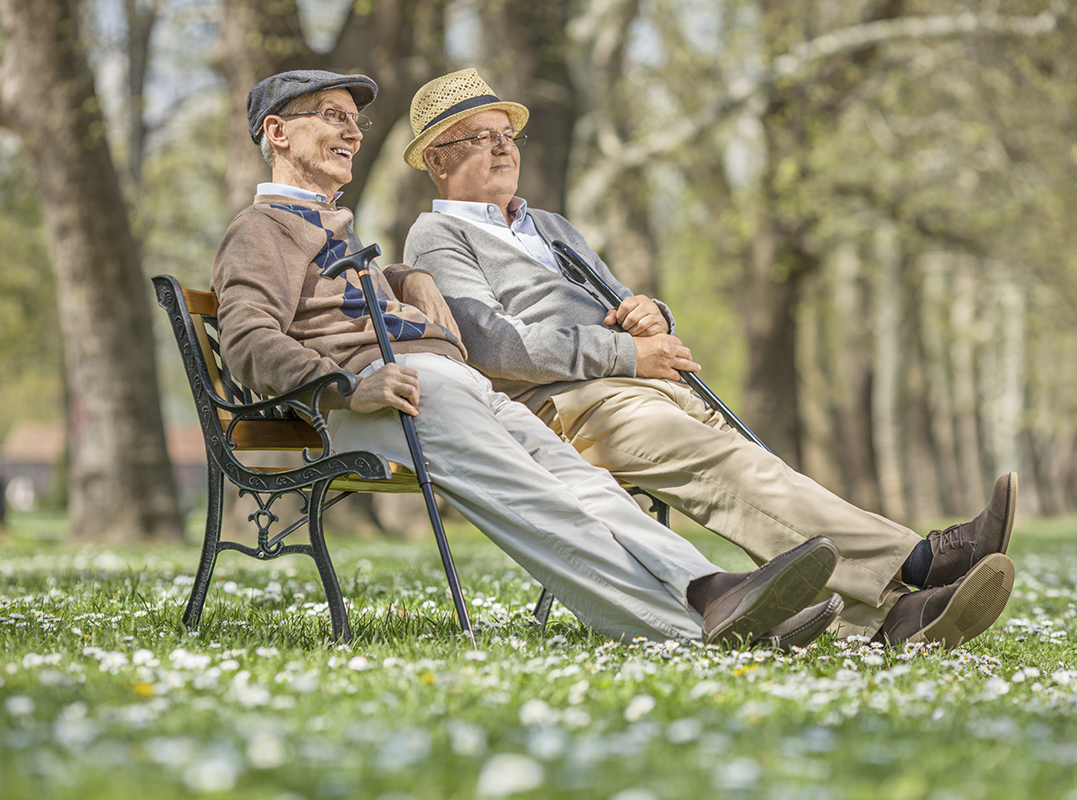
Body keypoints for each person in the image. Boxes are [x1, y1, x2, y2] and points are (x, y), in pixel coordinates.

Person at [210, 69, 843, 649]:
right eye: (331, 115)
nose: (350, 131)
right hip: (383, 397)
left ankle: (713, 591)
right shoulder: (260, 229)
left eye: (354, 120)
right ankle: (692, 629)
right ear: (278, 132)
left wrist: (403, 282)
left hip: (449, 384)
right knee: (537, 497)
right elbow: (245, 340)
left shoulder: (334, 228)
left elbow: (338, 304)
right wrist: (346, 386)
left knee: (584, 483)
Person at [400, 68, 1018, 650]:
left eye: (507, 135)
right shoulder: (438, 236)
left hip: (643, 384)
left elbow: (620, 305)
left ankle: (893, 619)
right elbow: (490, 345)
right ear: (438, 159)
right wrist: (625, 351)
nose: (503, 148)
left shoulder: (552, 226)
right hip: (567, 404)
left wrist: (652, 315)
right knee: (733, 466)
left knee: (760, 470)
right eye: (479, 137)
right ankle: (921, 559)